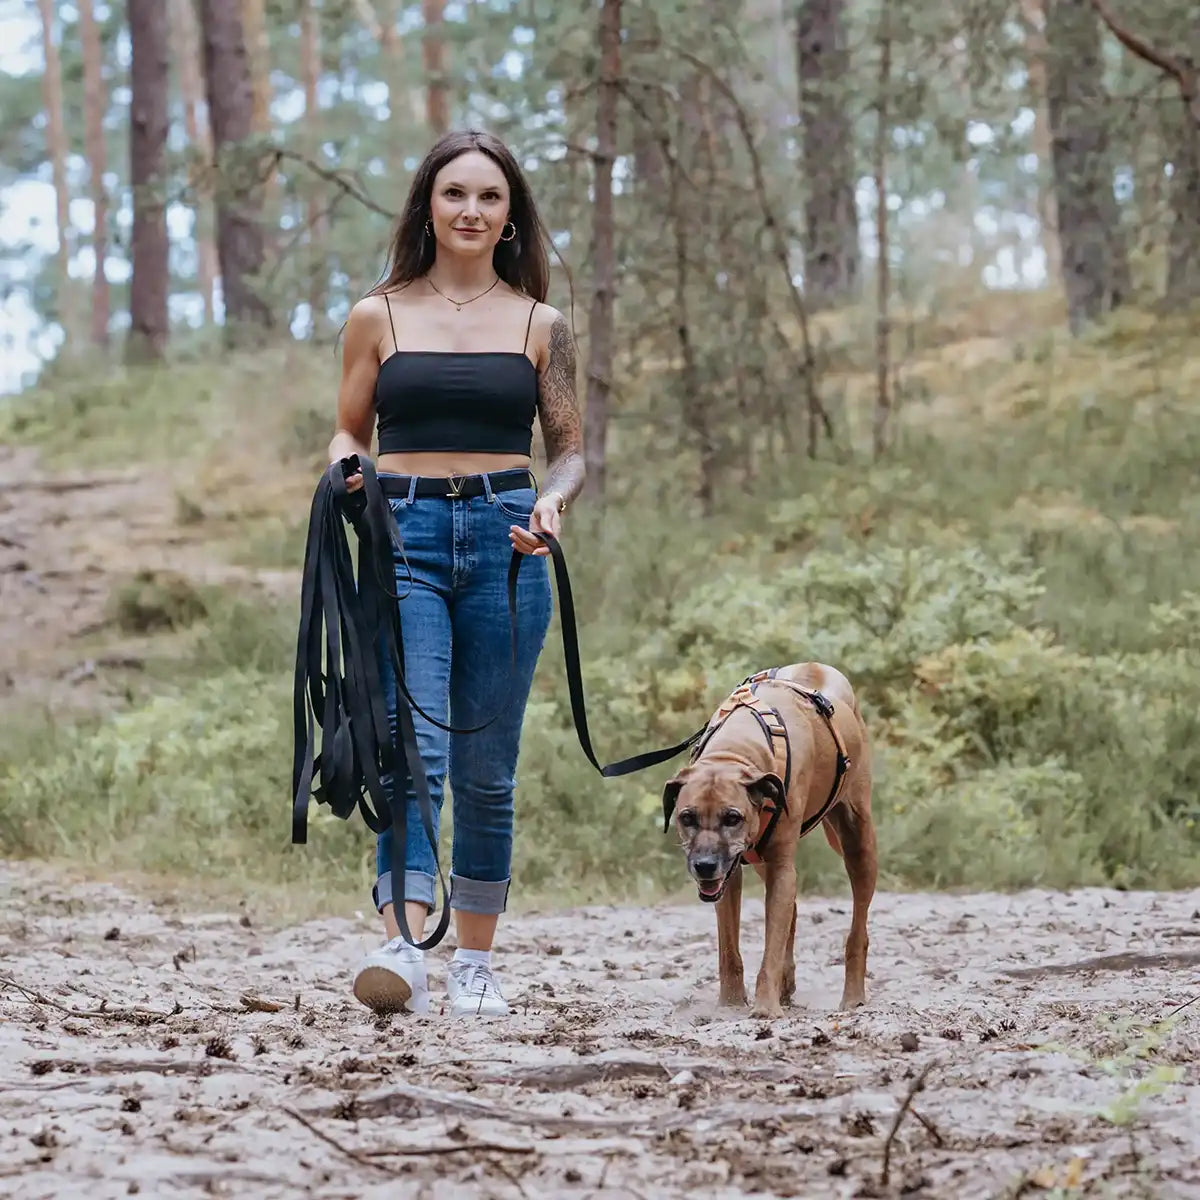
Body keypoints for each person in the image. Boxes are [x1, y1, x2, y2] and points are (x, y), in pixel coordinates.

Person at [327, 130, 585, 1018]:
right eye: (454, 195)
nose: (471, 211)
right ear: (427, 207)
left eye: (489, 197)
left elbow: (571, 454)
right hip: (401, 536)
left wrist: (550, 506)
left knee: (487, 764)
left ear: (511, 217)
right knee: (413, 750)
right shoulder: (379, 314)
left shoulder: (540, 325)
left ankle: (474, 962)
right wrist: (345, 474)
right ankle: (403, 948)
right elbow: (349, 429)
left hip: (507, 538)